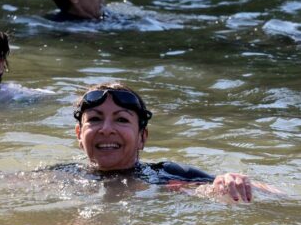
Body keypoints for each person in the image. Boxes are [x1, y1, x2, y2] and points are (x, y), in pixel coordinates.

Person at [50, 81, 279, 203]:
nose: (106, 129)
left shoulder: (166, 174)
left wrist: (232, 181)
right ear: (79, 134)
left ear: (142, 137)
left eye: (121, 119)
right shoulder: (60, 176)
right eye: (96, 119)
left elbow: (272, 194)